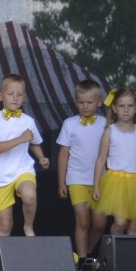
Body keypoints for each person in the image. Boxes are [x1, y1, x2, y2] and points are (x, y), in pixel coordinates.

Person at [0, 73, 50, 244]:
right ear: (0, 96)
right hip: (1, 175)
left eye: (19, 94)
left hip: (23, 169)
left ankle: (28, 226)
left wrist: (41, 157)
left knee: (29, 195)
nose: (15, 98)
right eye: (11, 94)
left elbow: (34, 142)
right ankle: (2, 258)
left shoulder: (28, 121)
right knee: (5, 225)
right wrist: (21, 139)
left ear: (24, 97)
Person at [92, 88, 136, 235]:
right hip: (116, 181)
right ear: (114, 108)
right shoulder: (109, 131)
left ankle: (128, 250)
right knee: (120, 222)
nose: (126, 110)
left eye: (130, 106)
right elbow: (101, 159)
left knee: (133, 224)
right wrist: (96, 185)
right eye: (122, 106)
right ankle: (113, 245)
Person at [56, 79, 108, 258]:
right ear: (76, 102)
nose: (85, 106)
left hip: (100, 181)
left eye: (89, 102)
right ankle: (83, 260)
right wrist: (61, 182)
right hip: (76, 179)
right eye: (81, 102)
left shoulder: (106, 124)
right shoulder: (69, 124)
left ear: (99, 102)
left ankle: (89, 253)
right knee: (83, 221)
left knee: (99, 224)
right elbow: (63, 154)